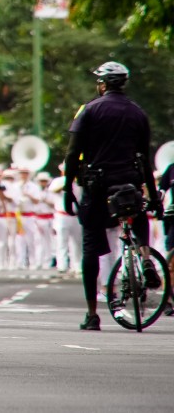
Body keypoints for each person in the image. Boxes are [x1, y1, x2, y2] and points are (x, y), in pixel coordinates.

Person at [62, 61, 162, 331]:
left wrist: (67, 189)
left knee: (91, 250)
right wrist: (152, 196)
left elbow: (72, 154)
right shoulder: (138, 113)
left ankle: (92, 313)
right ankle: (144, 256)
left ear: (103, 84)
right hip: (129, 183)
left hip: (97, 188)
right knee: (138, 218)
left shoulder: (89, 110)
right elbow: (145, 159)